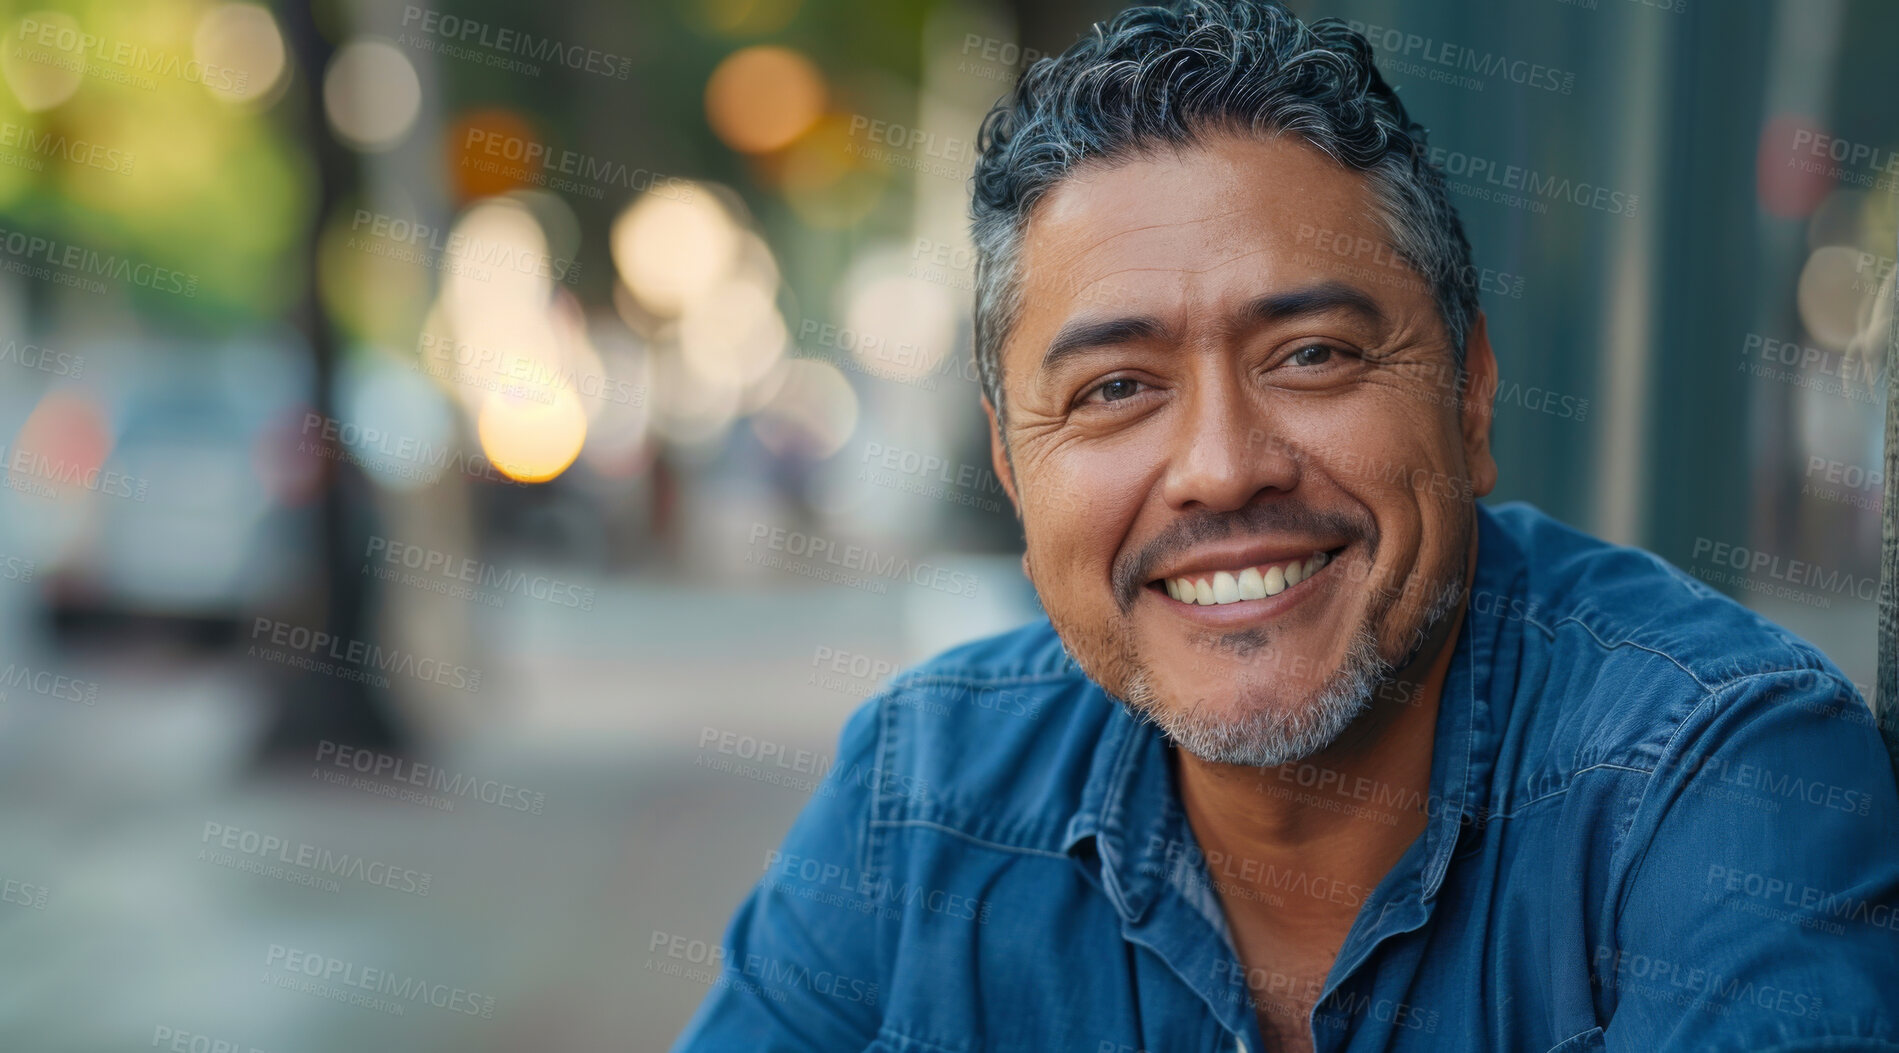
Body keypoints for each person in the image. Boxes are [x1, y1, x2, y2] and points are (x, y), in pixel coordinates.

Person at [673, 1, 1899, 1049]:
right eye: (1115, 390)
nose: (1218, 470)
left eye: (1312, 355)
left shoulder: (1719, 774)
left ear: (1469, 393)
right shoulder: (922, 796)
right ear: (1012, 467)